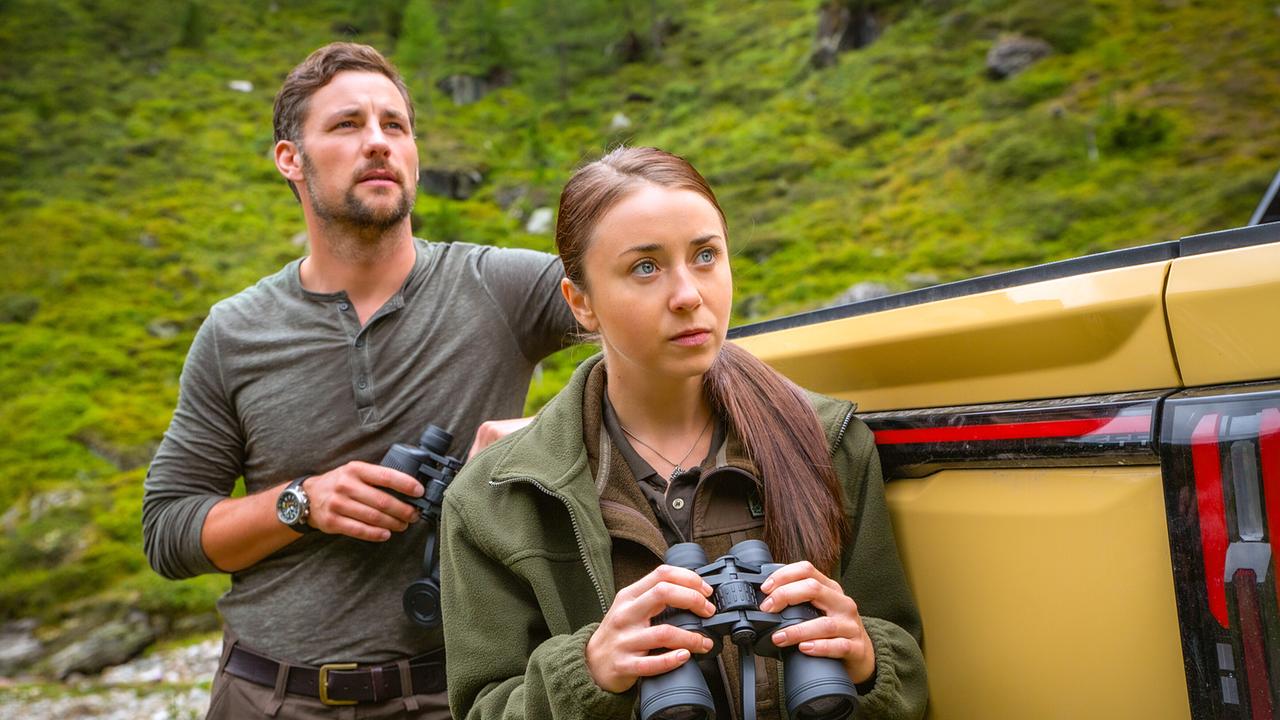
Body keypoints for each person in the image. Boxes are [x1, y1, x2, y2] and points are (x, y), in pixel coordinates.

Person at [141, 42, 577, 719]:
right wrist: (303, 502)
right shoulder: (235, 331)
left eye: (394, 125)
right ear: (291, 159)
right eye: (347, 124)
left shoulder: (502, 286)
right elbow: (168, 529)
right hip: (267, 696)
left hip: (459, 694)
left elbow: (687, 342)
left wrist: (543, 435)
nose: (377, 142)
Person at [440, 146, 927, 720]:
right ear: (581, 303)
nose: (689, 295)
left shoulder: (829, 442)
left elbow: (910, 671)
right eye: (645, 267)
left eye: (705, 256)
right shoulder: (494, 502)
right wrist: (587, 674)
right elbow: (484, 708)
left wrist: (867, 662)